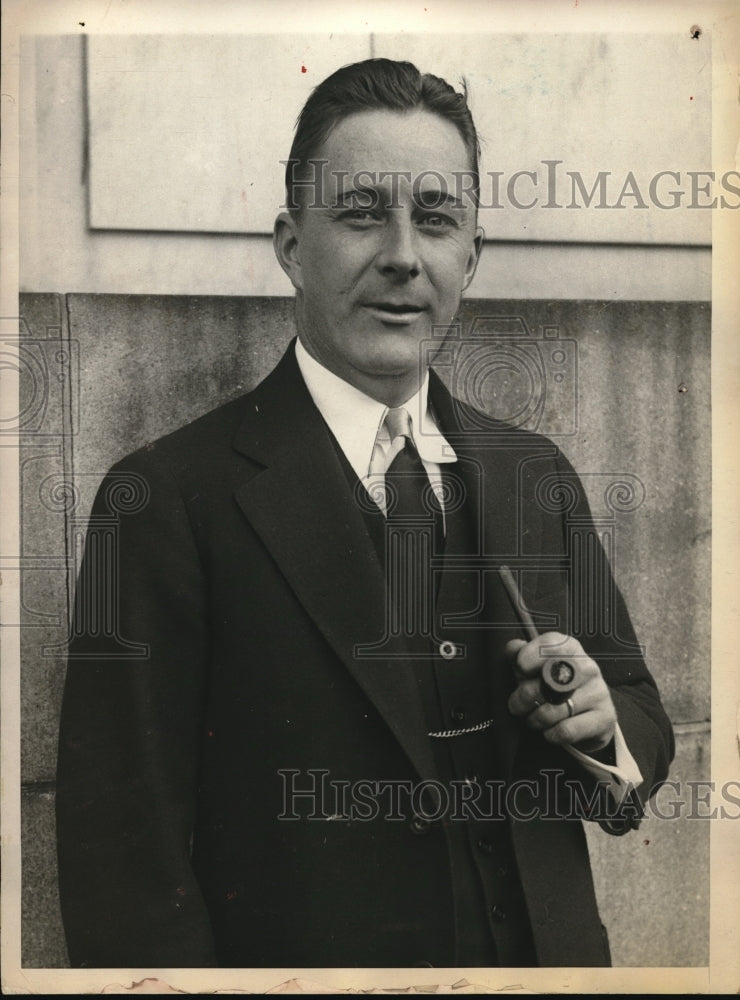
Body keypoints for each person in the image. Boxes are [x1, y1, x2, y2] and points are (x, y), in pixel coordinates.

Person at [56, 58, 674, 969]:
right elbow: (124, 865)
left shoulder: (534, 471)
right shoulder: (163, 500)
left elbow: (640, 732)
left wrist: (601, 729)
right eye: (359, 213)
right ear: (291, 245)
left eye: (435, 218)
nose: (401, 254)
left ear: (471, 255)